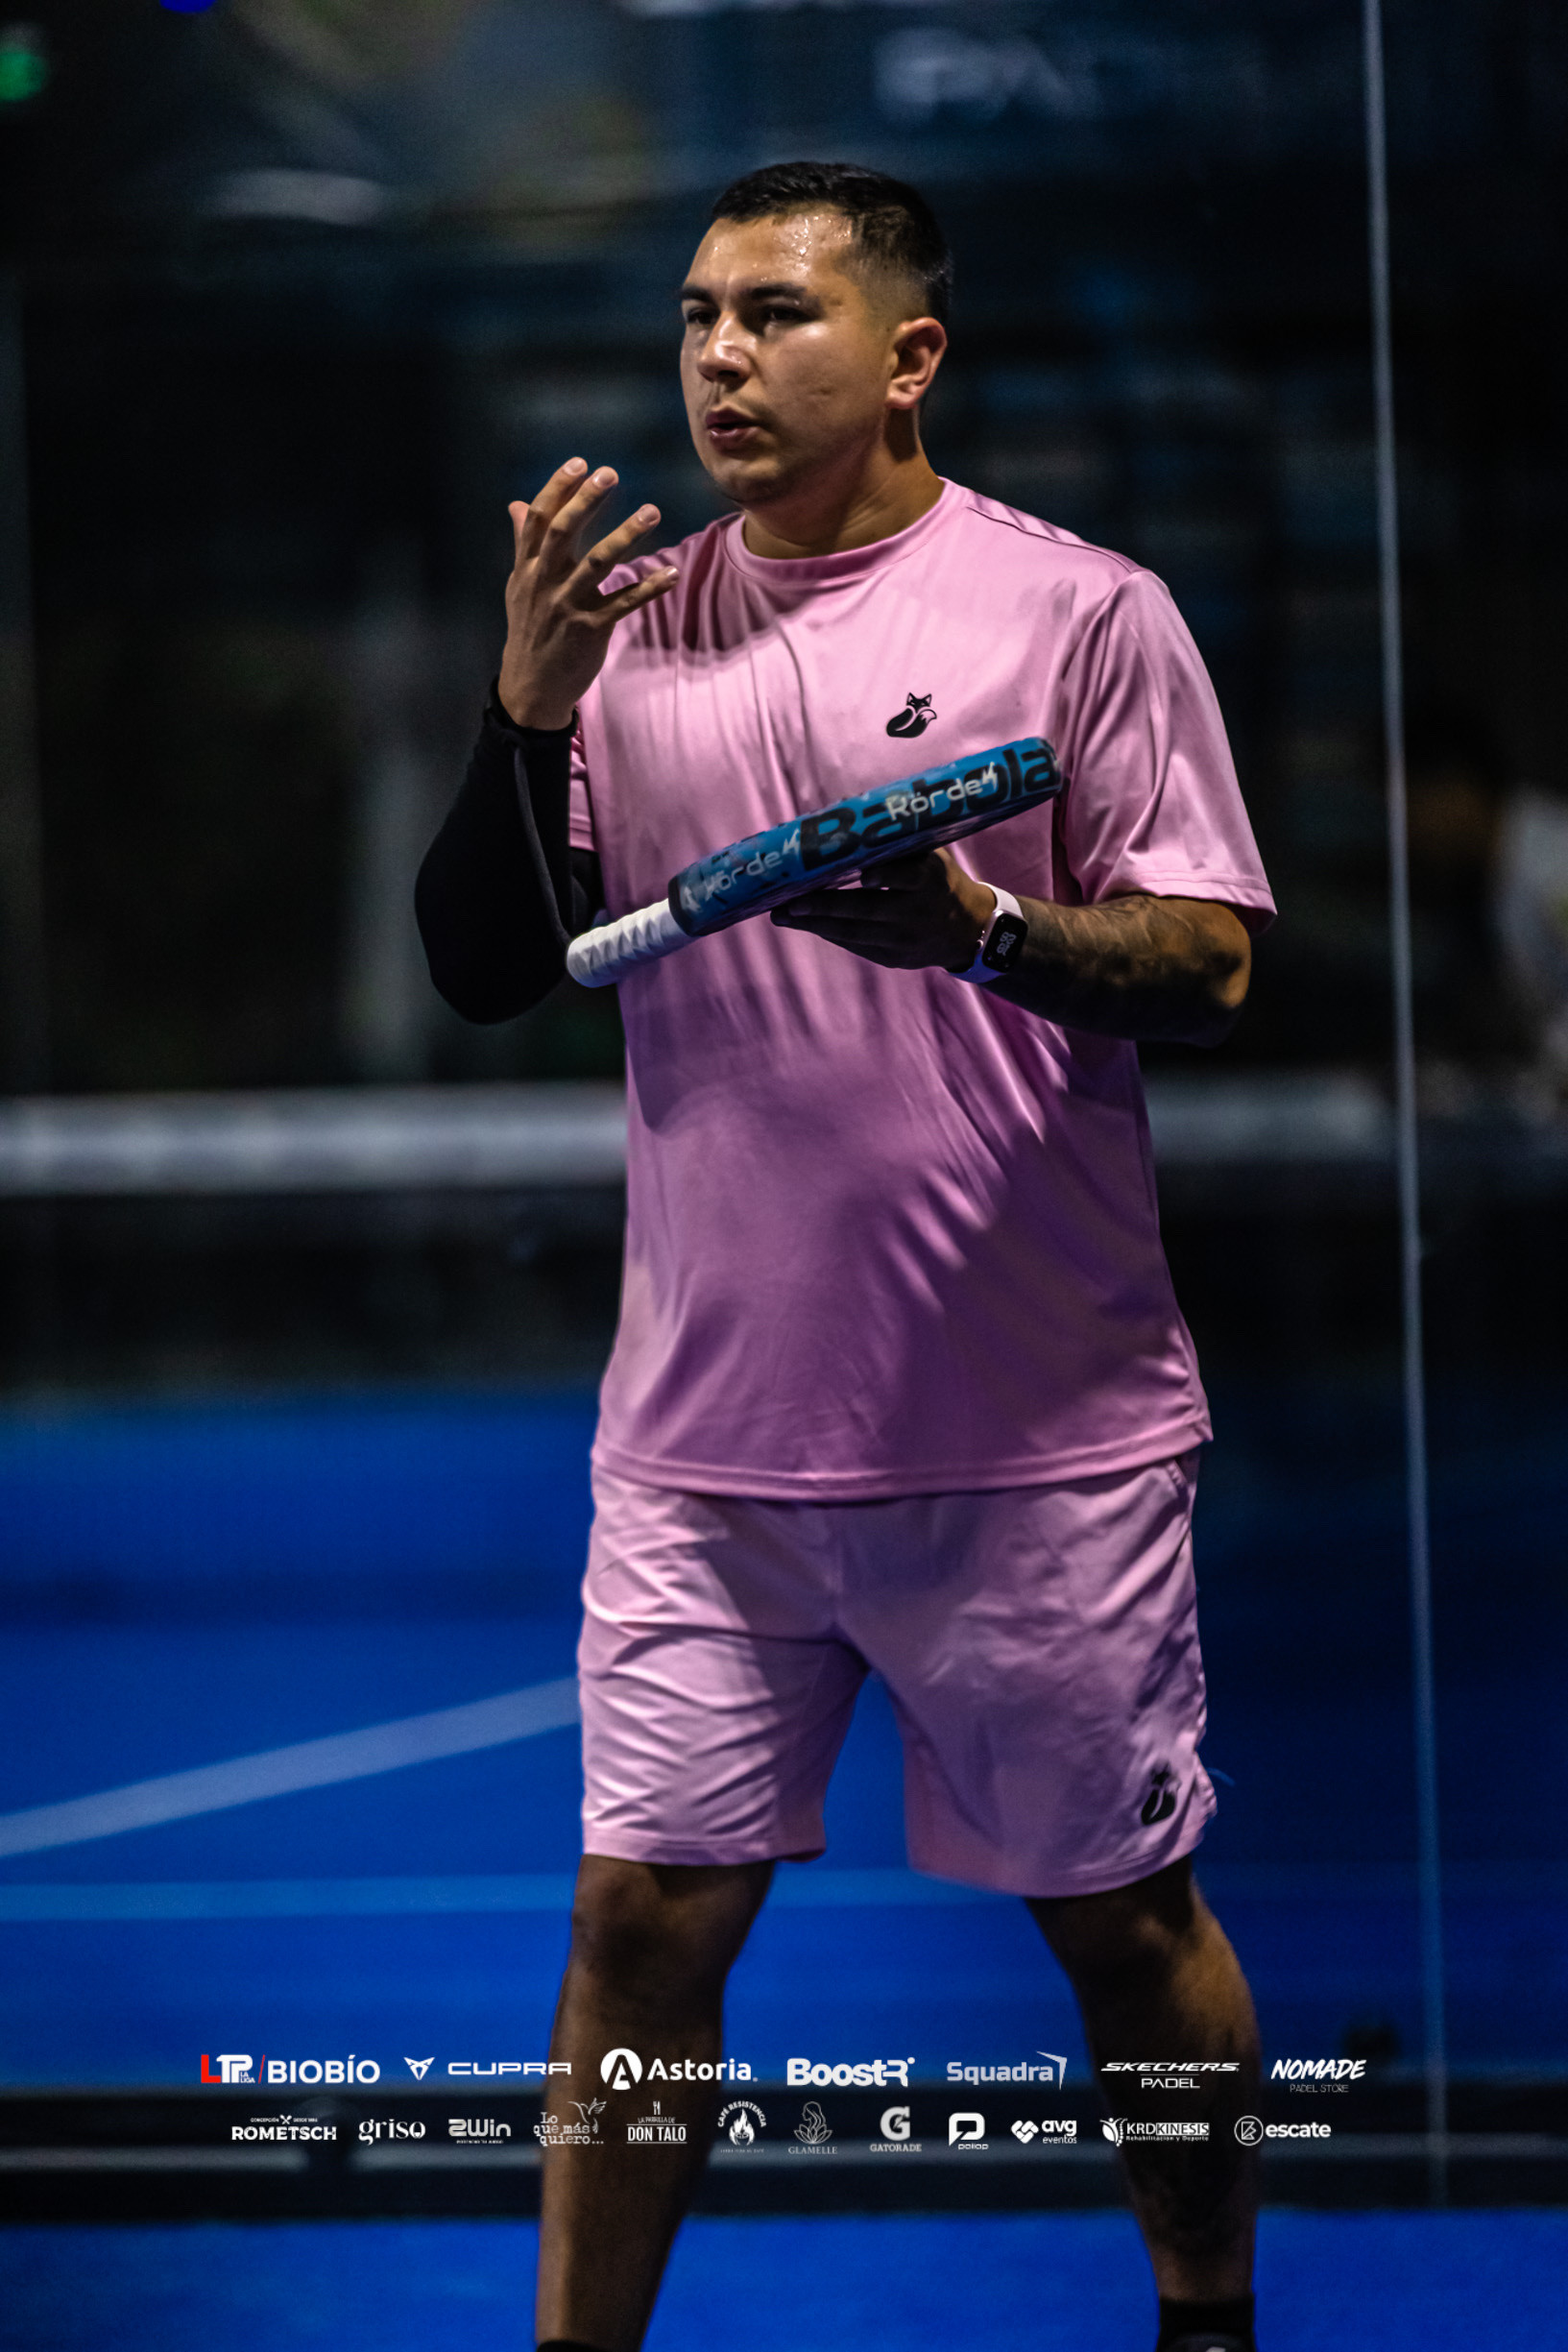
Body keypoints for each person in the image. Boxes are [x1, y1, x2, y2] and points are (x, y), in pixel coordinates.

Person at [417, 160, 1276, 2352]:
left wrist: (983, 932)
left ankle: (1204, 2324)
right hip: (705, 1447)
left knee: (1124, 1927)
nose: (720, 354)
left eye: (777, 314)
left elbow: (1205, 965)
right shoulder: (626, 640)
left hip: (1037, 1432)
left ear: (908, 358)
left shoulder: (1079, 614)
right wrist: (522, 702)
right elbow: (487, 968)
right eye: (697, 315)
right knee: (637, 1929)